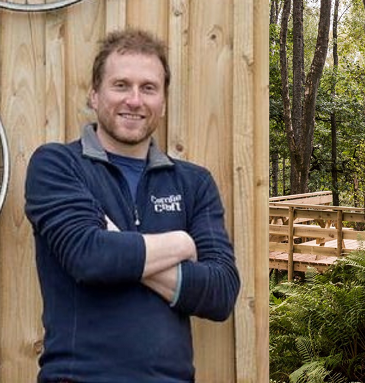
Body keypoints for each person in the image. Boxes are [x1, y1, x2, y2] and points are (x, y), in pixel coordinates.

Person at [24, 28, 240, 383]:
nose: (135, 100)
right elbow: (88, 256)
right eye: (121, 85)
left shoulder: (193, 183)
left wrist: (117, 246)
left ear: (164, 102)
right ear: (95, 95)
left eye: (148, 88)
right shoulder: (58, 165)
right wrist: (181, 244)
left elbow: (221, 293)